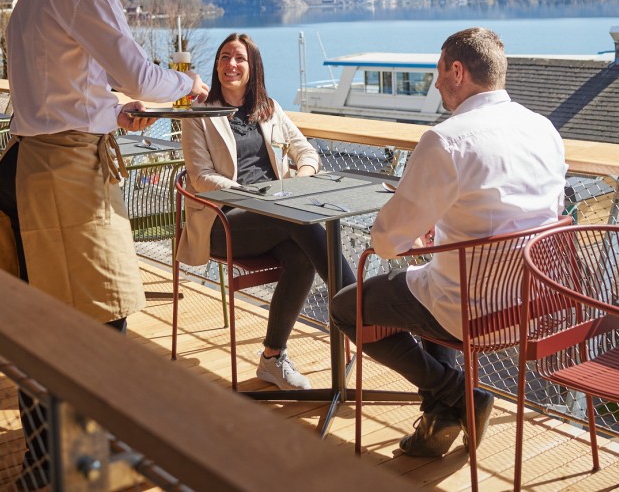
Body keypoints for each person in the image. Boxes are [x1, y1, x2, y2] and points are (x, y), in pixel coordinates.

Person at [0, 0, 208, 487]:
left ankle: (45, 466)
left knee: (43, 326)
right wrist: (188, 82)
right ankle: (82, 471)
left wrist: (111, 112)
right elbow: (141, 75)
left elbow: (60, 89)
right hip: (65, 177)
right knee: (100, 325)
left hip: (30, 165)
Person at [329, 27, 566, 458]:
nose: (436, 83)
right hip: (528, 303)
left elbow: (386, 241)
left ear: (458, 71)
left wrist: (417, 232)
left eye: (439, 73)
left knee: (346, 307)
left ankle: (459, 391)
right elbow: (533, 216)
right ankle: (437, 421)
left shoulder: (447, 139)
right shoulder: (543, 129)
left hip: (467, 312)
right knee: (430, 279)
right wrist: (440, 229)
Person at [179, 33, 354, 389]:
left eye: (239, 58)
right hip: (223, 220)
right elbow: (200, 177)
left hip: (276, 216)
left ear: (253, 66)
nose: (230, 64)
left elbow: (306, 152)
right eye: (224, 57)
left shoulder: (269, 109)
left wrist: (300, 180)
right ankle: (359, 307)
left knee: (302, 256)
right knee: (301, 223)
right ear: (216, 65)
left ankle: (272, 358)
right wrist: (254, 196)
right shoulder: (199, 114)